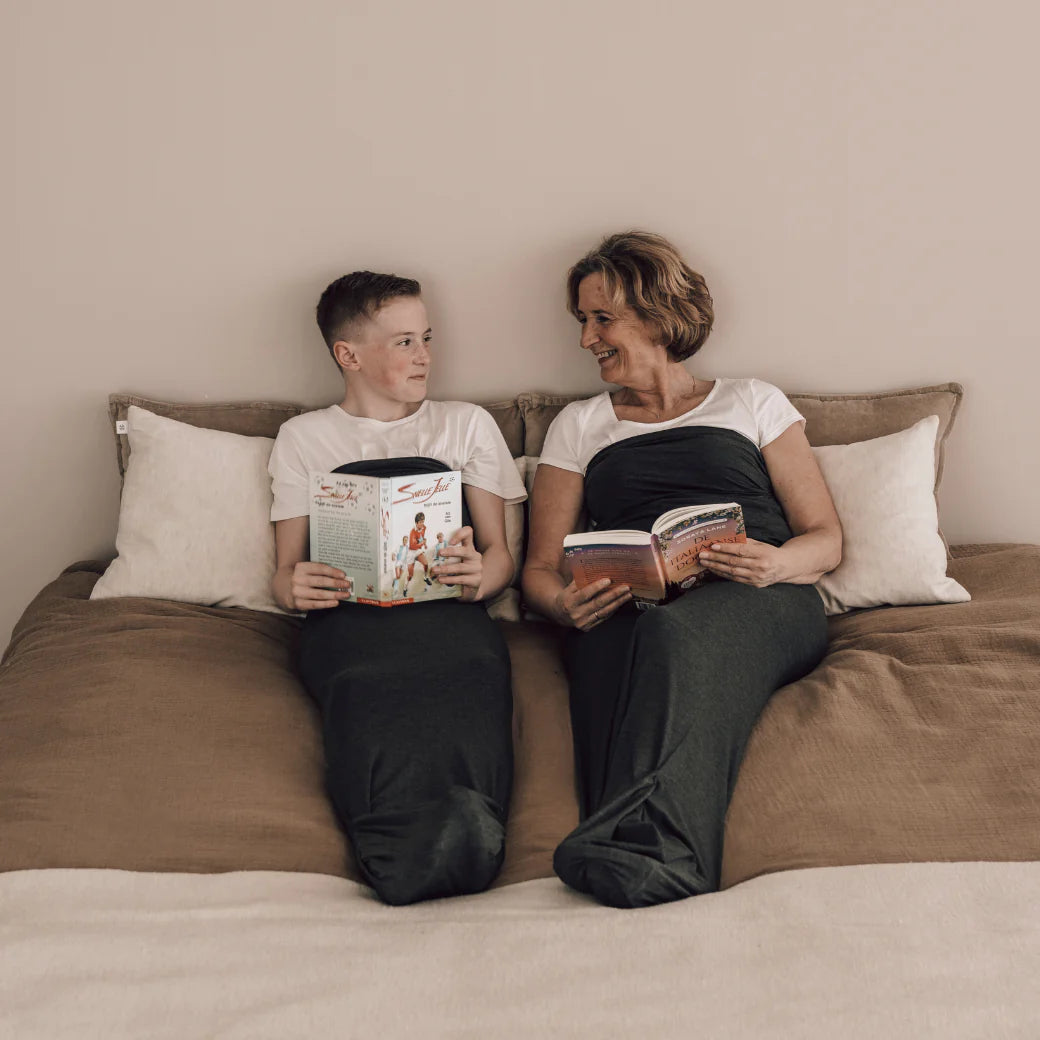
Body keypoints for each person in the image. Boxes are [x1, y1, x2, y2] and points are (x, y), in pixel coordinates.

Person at [522, 231, 841, 909]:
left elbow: (827, 540)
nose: (587, 340)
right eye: (582, 321)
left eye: (602, 319)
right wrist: (560, 606)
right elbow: (540, 570)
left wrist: (777, 562)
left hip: (760, 597)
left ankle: (672, 853)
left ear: (659, 314)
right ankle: (614, 844)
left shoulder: (752, 402)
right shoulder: (580, 426)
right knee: (612, 646)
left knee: (672, 637)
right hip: (631, 599)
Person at [269, 271, 526, 905]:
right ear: (347, 355)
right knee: (360, 682)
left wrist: (480, 577)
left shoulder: (463, 425)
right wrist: (295, 587)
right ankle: (390, 837)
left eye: (426, 338)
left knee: (471, 668)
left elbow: (503, 559)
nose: (425, 357)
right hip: (350, 621)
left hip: (449, 614)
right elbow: (283, 574)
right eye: (404, 342)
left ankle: (473, 822)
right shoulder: (304, 438)